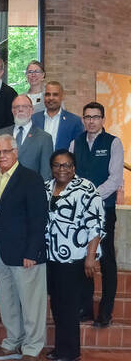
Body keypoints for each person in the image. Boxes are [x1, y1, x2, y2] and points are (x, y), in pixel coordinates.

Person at [0, 135, 48, 361]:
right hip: (1, 253)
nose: (2, 156)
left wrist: (32, 252)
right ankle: (12, 342)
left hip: (26, 254)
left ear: (16, 152)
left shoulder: (31, 179)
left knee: (32, 305)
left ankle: (32, 347)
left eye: (6, 151)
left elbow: (39, 219)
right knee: (8, 302)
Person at [45, 150, 105, 361]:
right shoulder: (46, 187)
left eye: (67, 165)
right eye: (57, 165)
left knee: (69, 306)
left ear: (74, 167)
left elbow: (96, 225)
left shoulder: (86, 188)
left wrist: (91, 256)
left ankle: (70, 352)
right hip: (51, 257)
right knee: (57, 305)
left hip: (74, 258)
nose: (62, 169)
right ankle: (61, 348)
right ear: (51, 167)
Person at [69, 102, 123, 327]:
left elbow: (115, 178)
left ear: (103, 119)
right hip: (81, 212)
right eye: (87, 117)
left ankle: (106, 311)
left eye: (96, 117)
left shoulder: (113, 142)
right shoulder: (75, 143)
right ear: (83, 119)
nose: (91, 121)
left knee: (106, 259)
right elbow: (70, 175)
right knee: (83, 257)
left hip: (105, 210)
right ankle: (86, 308)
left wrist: (90, 195)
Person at [0, 95, 53, 181]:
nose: (20, 109)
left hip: (30, 190)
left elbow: (46, 174)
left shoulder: (44, 138)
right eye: (16, 107)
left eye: (25, 107)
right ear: (12, 111)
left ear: (31, 110)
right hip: (3, 190)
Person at [32, 81, 83, 151]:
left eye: (55, 95)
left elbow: (79, 149)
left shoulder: (75, 121)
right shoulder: (33, 119)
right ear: (44, 97)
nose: (51, 98)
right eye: (47, 94)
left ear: (62, 96)